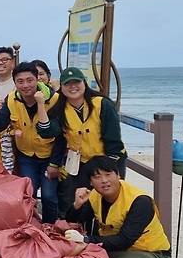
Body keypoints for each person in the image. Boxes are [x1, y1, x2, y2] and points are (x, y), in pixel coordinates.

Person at [65, 155, 171, 258]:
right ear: (91, 182)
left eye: (108, 174)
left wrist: (86, 241)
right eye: (97, 176)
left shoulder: (139, 201)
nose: (104, 180)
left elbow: (125, 240)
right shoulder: (95, 196)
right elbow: (73, 220)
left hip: (154, 255)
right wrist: (77, 205)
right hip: (118, 250)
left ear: (118, 174)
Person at [37, 67, 127, 212]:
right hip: (79, 163)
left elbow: (114, 141)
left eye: (77, 82)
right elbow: (47, 132)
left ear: (84, 83)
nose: (73, 87)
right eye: (67, 84)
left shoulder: (102, 104)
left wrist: (108, 170)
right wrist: (40, 104)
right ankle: (75, 231)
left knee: (108, 202)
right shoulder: (61, 110)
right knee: (74, 202)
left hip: (109, 159)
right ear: (62, 88)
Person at [0, 62, 65, 222]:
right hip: (26, 157)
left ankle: (49, 228)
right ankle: (30, 226)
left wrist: (54, 164)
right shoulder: (11, 99)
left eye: (30, 80)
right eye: (20, 81)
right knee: (27, 194)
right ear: (15, 82)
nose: (25, 85)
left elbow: (60, 136)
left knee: (49, 195)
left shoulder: (54, 99)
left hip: (49, 156)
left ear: (37, 79)